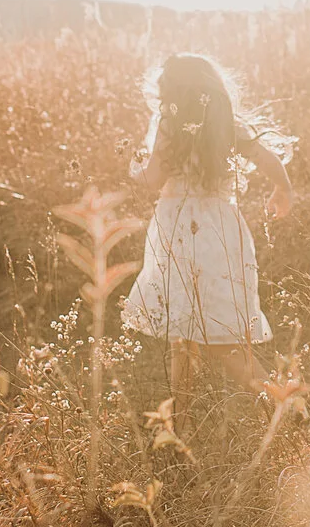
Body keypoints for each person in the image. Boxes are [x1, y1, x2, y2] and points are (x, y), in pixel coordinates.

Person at [120, 53, 296, 401]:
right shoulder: (226, 122)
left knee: (219, 341)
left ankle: (284, 405)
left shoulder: (169, 125)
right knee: (183, 334)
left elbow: (153, 178)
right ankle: (179, 425)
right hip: (222, 228)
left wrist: (134, 167)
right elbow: (267, 159)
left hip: (180, 227)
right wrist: (283, 189)